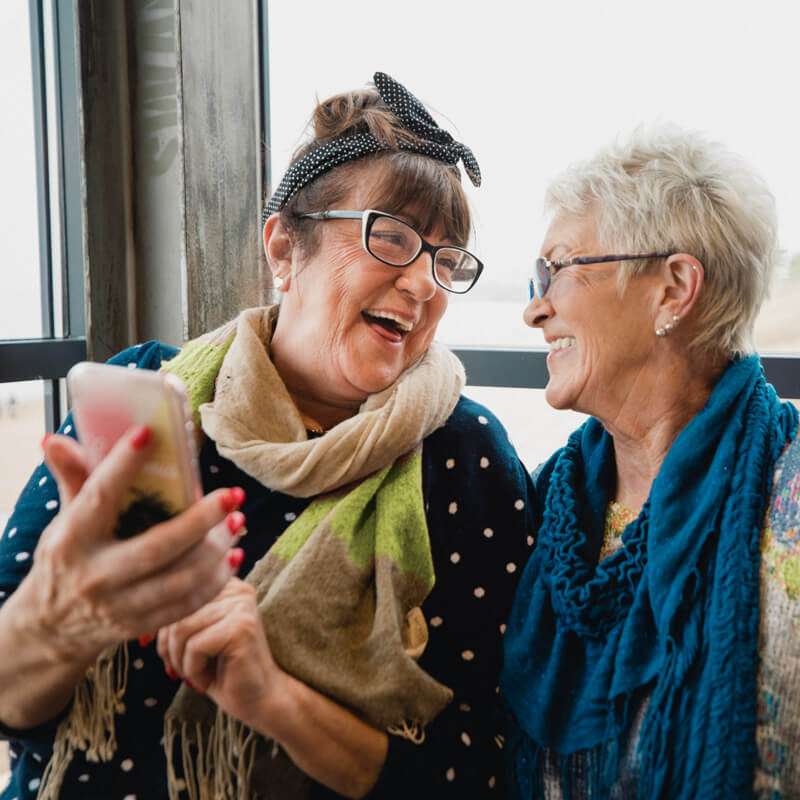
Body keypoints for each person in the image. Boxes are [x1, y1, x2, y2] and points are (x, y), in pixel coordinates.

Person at [0, 72, 534, 800]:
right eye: (394, 238)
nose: (423, 285)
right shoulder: (148, 396)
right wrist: (62, 617)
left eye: (445, 262)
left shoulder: (465, 457)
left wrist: (276, 699)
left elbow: (479, 765)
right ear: (284, 250)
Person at [501, 125, 800, 799]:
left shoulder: (790, 497)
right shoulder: (551, 500)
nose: (533, 308)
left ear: (673, 289)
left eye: (561, 268)